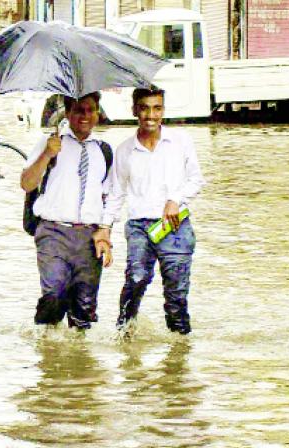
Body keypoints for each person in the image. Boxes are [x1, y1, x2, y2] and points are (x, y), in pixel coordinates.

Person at [98, 87, 206, 335]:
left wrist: (175, 200)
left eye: (157, 108)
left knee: (176, 294)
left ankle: (178, 354)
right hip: (139, 227)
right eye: (145, 108)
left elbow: (196, 180)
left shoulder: (180, 141)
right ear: (134, 110)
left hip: (175, 226)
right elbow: (116, 193)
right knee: (136, 279)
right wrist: (104, 229)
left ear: (163, 110)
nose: (151, 115)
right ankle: (124, 334)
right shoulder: (124, 150)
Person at [20, 92, 114, 330]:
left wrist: (105, 233)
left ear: (97, 113)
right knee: (53, 293)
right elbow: (27, 183)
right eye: (78, 110)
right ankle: (46, 350)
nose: (85, 116)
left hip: (89, 237)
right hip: (53, 232)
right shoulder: (50, 143)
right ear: (68, 112)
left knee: (84, 311)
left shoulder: (103, 151)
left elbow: (109, 196)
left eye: (90, 110)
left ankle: (77, 359)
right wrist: (47, 154)